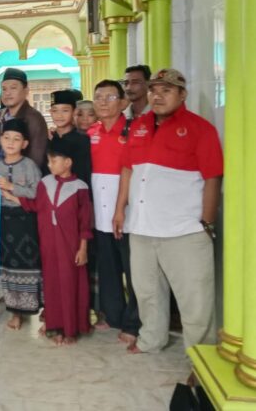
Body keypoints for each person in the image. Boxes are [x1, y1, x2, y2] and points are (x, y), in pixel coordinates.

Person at [113, 69, 223, 354]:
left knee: (195, 299)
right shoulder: (139, 125)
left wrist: (207, 222)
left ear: (182, 94)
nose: (157, 96)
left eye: (166, 90)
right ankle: (152, 339)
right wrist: (120, 210)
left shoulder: (200, 129)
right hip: (141, 227)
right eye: (153, 90)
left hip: (184, 230)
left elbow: (213, 177)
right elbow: (127, 169)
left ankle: (201, 357)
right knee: (147, 291)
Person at [4, 139, 92, 345]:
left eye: (54, 161)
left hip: (70, 247)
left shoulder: (80, 188)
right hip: (48, 245)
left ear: (68, 162)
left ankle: (70, 329)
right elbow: (36, 205)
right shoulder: (45, 183)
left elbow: (85, 223)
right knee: (51, 285)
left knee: (69, 285)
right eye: (49, 161)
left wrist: (83, 248)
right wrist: (11, 196)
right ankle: (54, 325)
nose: (49, 165)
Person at [88, 80, 140, 344]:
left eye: (109, 97)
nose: (102, 102)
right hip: (100, 215)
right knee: (108, 270)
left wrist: (121, 209)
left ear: (123, 103)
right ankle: (114, 315)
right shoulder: (91, 132)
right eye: (98, 97)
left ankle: (134, 323)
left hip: (128, 215)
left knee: (134, 272)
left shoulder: (134, 131)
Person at [0, 119, 42, 330]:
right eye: (7, 138)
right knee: (8, 267)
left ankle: (28, 309)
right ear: (0, 140)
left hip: (25, 223)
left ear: (25, 143)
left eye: (16, 139)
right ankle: (15, 312)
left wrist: (12, 187)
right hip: (3, 221)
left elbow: (38, 194)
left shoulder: (30, 166)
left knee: (26, 266)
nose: (11, 142)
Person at [0, 68, 49, 171]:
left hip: (24, 176)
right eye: (4, 89)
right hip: (0, 173)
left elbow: (36, 157)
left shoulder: (34, 118)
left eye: (13, 88)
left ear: (26, 91)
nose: (7, 93)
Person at [50, 90, 92, 190]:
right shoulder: (49, 139)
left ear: (74, 112)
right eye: (55, 111)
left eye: (65, 110)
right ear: (50, 112)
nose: (59, 115)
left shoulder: (82, 141)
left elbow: (84, 176)